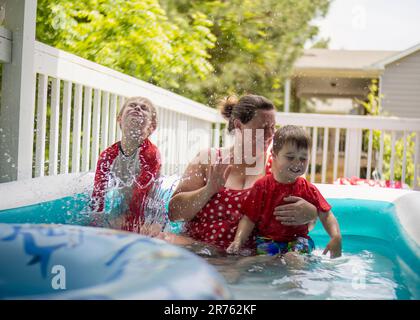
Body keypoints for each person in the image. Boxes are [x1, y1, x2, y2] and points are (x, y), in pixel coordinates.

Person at [168, 94, 319, 252]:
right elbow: (174, 214)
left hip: (252, 260)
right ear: (239, 126)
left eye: (273, 127)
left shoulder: (282, 167)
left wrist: (312, 214)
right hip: (202, 252)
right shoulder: (208, 159)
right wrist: (209, 190)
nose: (270, 135)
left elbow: (302, 226)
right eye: (263, 128)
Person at [226, 125, 342, 259]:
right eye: (290, 157)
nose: (297, 163)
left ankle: (292, 280)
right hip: (267, 240)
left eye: (303, 159)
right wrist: (238, 241)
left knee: (294, 258)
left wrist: (336, 236)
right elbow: (249, 218)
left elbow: (326, 214)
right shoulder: (262, 187)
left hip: (299, 241)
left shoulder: (308, 189)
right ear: (274, 156)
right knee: (258, 260)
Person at [90, 96, 161, 234]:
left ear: (151, 126)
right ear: (119, 119)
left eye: (144, 108)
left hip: (149, 211)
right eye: (132, 105)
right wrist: (94, 221)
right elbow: (98, 194)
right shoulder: (108, 155)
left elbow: (142, 195)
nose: (137, 108)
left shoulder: (151, 154)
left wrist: (128, 219)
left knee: (144, 230)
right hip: (124, 206)